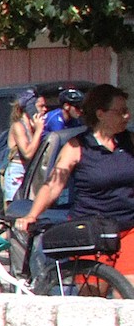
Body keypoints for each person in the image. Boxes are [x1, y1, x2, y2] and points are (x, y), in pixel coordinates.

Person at [16, 83, 134, 276]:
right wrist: (32, 215)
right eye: (120, 112)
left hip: (129, 228)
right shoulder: (76, 147)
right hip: (92, 231)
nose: (126, 116)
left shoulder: (130, 142)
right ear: (100, 113)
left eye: (126, 111)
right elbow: (53, 184)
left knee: (129, 294)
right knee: (93, 298)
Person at [4, 89, 45, 203]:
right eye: (41, 106)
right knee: (16, 210)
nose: (45, 110)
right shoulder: (18, 126)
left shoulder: (34, 127)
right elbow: (27, 153)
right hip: (17, 174)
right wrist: (39, 130)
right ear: (31, 108)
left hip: (30, 173)